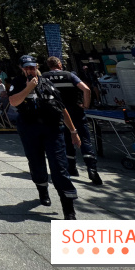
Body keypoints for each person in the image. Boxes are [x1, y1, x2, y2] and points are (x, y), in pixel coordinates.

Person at [9, 55, 81, 219]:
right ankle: (43, 190)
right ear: (21, 68)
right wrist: (28, 88)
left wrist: (73, 131)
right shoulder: (18, 82)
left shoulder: (47, 83)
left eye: (32, 67)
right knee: (36, 162)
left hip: (52, 128)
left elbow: (61, 108)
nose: (30, 70)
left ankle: (68, 208)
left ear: (37, 67)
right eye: (26, 68)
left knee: (59, 166)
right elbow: (13, 101)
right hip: (30, 128)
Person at [43, 56, 101, 185]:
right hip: (75, 110)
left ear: (49, 65)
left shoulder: (45, 77)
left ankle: (72, 167)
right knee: (84, 139)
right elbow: (86, 89)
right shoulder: (69, 75)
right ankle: (92, 169)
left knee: (66, 139)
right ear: (59, 64)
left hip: (57, 113)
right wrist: (86, 105)